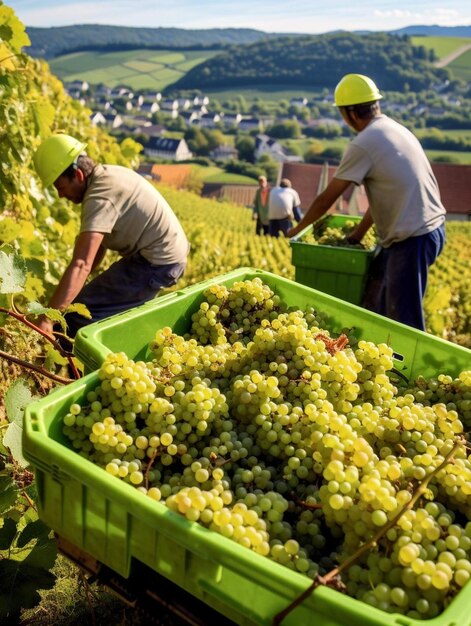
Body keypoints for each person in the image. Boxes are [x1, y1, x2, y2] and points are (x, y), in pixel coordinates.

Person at [287, 73, 446, 332]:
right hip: (429, 231)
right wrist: (357, 234)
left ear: (350, 113)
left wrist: (297, 230)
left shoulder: (364, 143)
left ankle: (408, 371)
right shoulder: (395, 129)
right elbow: (387, 194)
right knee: (377, 304)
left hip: (412, 239)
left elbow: (327, 198)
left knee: (403, 321)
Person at [32, 133, 190, 339]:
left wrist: (47, 319)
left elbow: (82, 264)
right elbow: (97, 250)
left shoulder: (99, 198)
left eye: (61, 187)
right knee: (81, 302)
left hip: (158, 264)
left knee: (76, 318)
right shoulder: (107, 175)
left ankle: (76, 368)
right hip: (159, 256)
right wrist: (78, 286)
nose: (61, 195)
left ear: (78, 175)